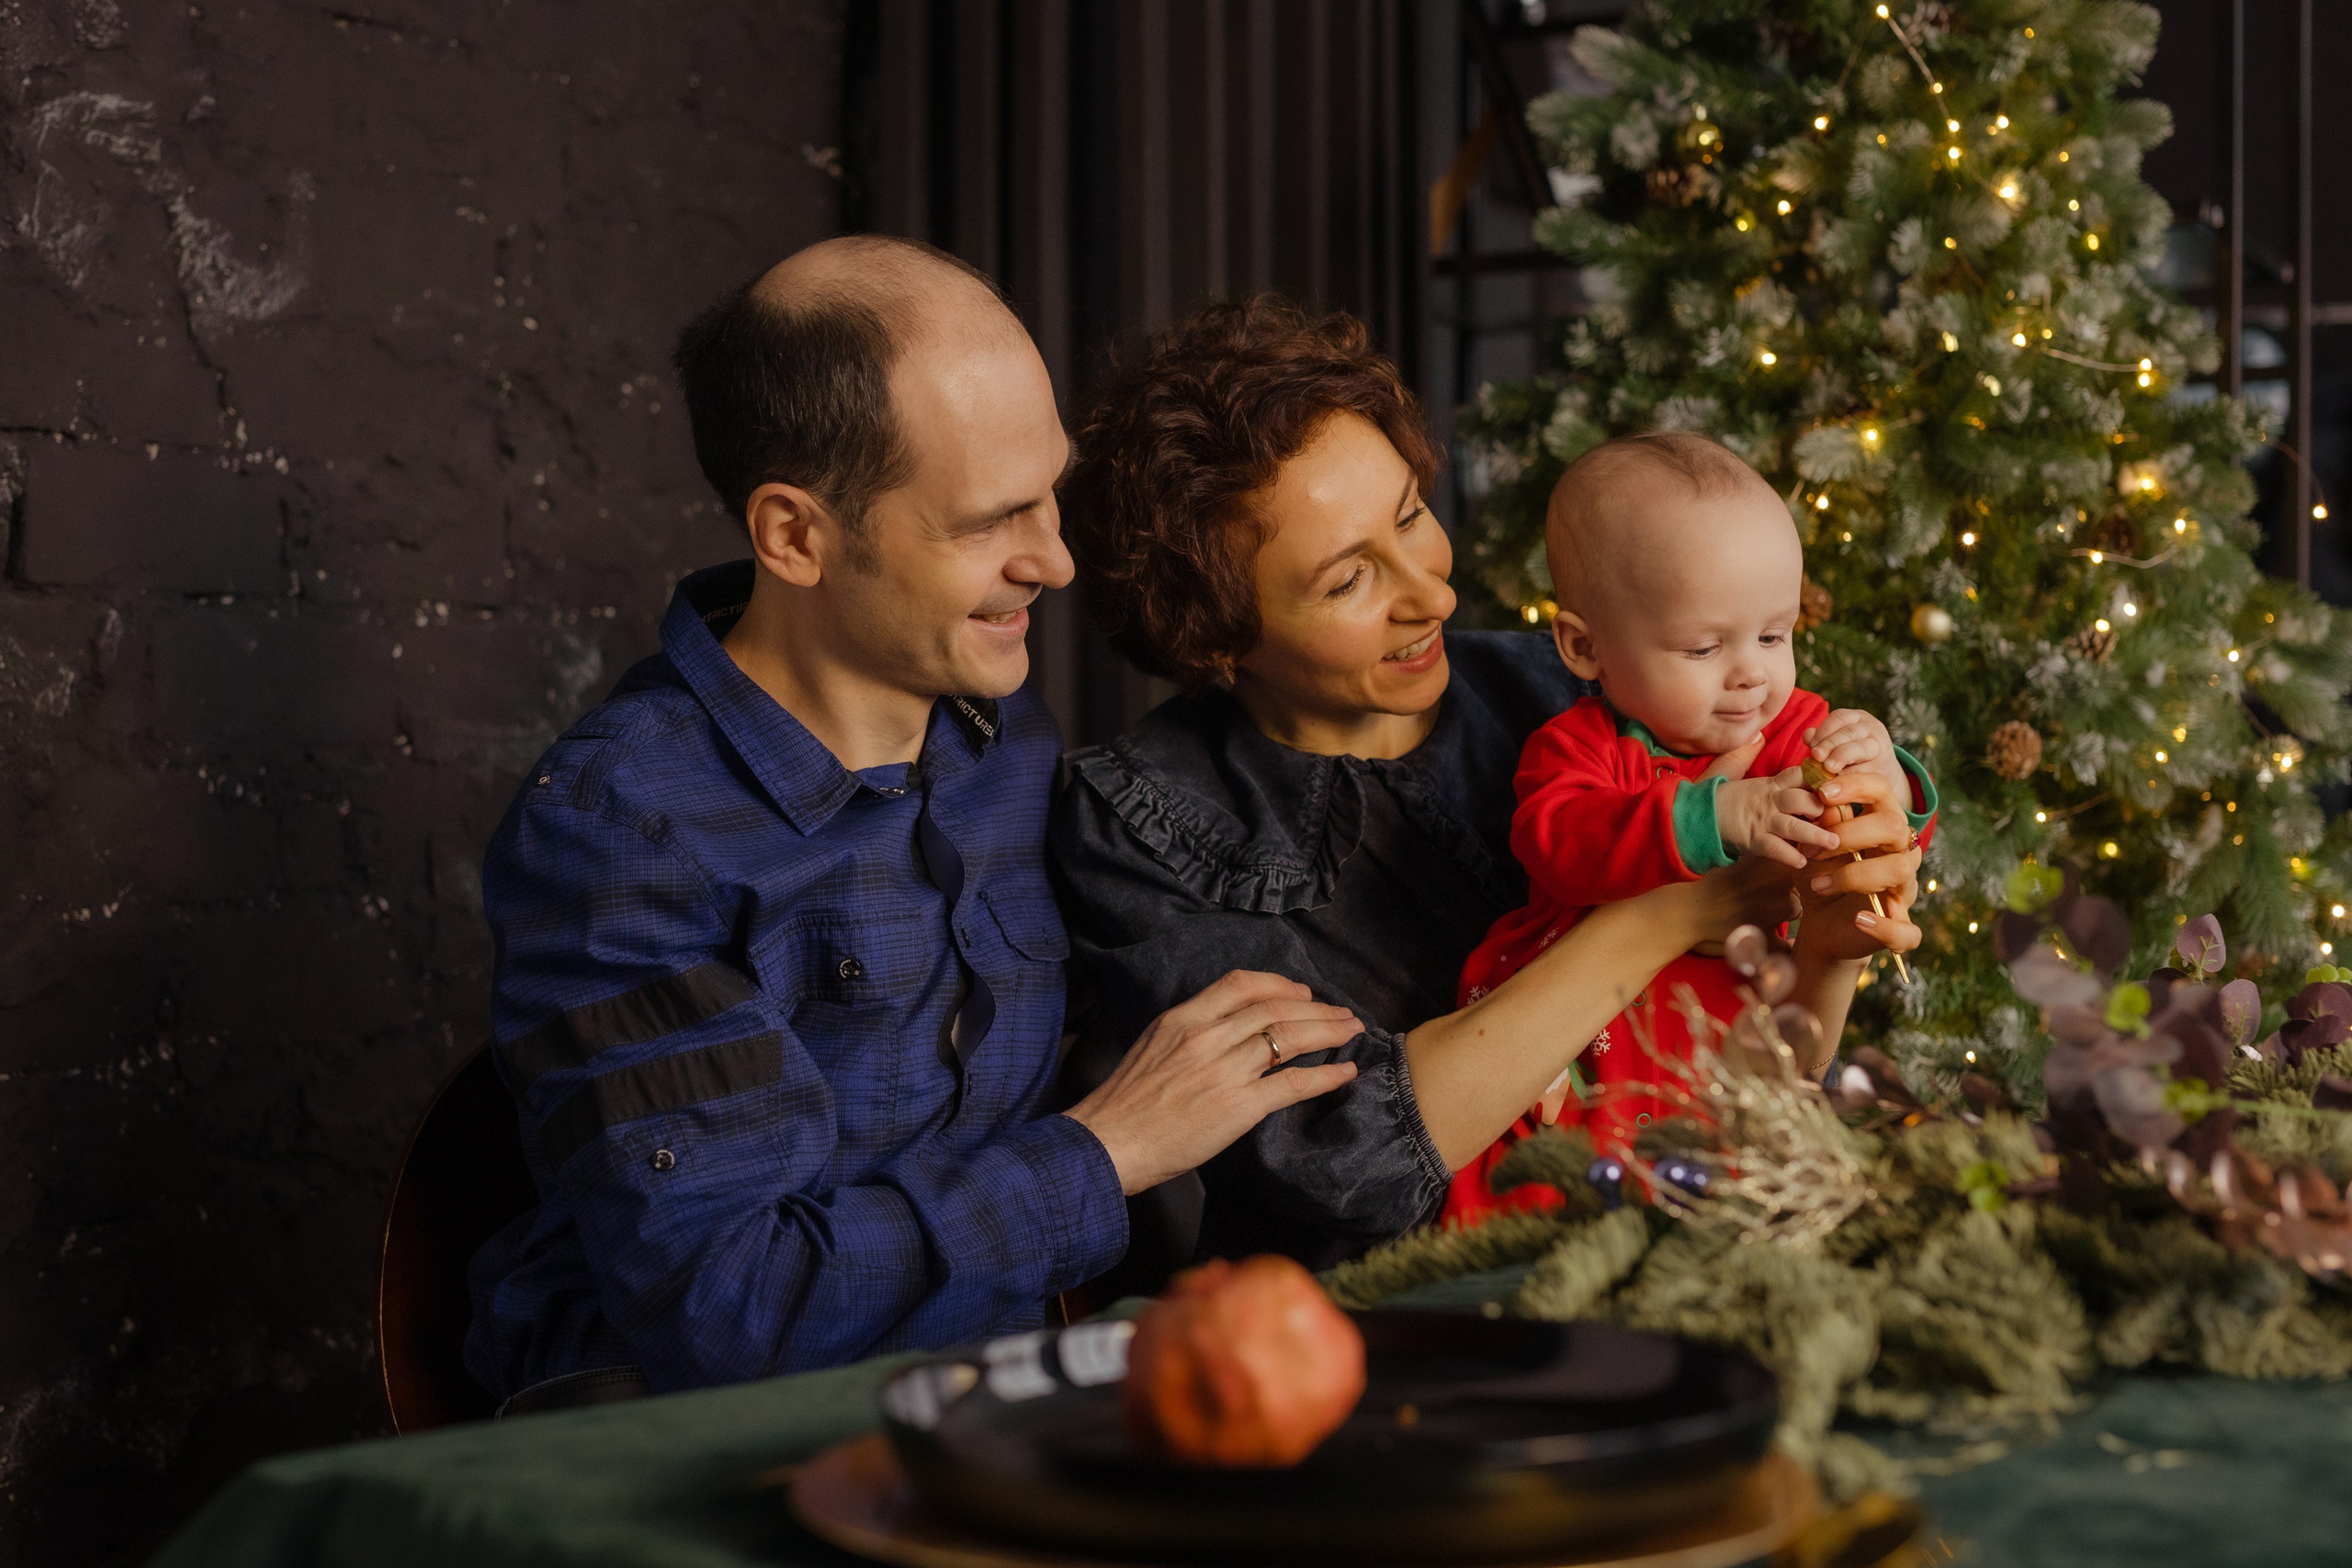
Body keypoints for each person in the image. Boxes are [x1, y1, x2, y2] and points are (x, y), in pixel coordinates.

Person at [464, 239, 1363, 1408]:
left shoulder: (998, 735)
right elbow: (735, 1311)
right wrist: (1110, 1151)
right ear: (796, 536)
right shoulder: (620, 835)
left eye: (1053, 492)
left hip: (987, 1391)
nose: (1053, 558)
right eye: (990, 522)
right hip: (687, 1432)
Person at [1050, 299, 1922, 1280]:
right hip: (1380, 1332)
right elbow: (1346, 1164)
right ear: (1214, 639)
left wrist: (1835, 948)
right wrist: (1677, 912)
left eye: (1411, 516)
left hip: (1666, 1260)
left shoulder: (1580, 687)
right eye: (1347, 582)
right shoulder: (1140, 820)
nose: (1431, 595)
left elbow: (1745, 1079)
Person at [1442, 432, 1939, 1227]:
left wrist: (1884, 775)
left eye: (1774, 635)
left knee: (1729, 1201)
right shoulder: (1577, 747)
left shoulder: (1794, 730)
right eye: (1705, 646)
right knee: (1540, 1205)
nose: (1751, 672)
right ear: (1584, 646)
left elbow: (1882, 837)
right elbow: (1560, 842)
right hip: (1583, 1034)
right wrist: (1716, 816)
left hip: (1727, 1034)